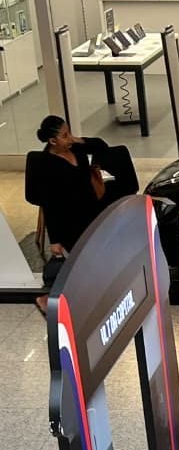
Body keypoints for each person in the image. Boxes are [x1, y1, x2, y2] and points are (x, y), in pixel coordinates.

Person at [25, 116, 138, 315]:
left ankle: (61, 297)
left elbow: (102, 147)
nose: (69, 138)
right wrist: (55, 240)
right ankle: (54, 298)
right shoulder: (46, 165)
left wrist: (77, 140)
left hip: (91, 212)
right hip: (70, 221)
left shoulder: (75, 149)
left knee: (92, 259)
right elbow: (50, 205)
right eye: (64, 135)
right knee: (86, 261)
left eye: (69, 132)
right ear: (53, 141)